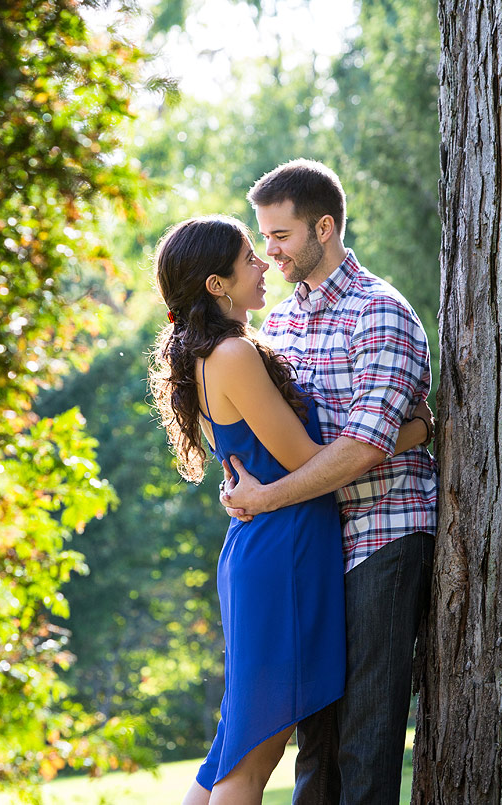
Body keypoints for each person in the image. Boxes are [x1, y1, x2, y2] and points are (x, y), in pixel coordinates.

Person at [148, 215, 433, 805]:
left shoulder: (216, 351)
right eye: (249, 256)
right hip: (284, 553)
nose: (263, 264)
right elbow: (308, 458)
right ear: (216, 285)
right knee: (253, 759)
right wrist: (415, 432)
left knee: (235, 749)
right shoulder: (232, 354)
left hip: (275, 546)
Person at [220, 159, 438, 805]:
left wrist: (265, 497)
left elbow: (364, 447)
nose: (269, 251)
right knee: (315, 743)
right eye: (264, 236)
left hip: (383, 536)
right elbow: (275, 436)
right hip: (312, 549)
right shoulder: (279, 325)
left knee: (365, 739)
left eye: (280, 235)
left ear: (324, 226)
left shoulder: (381, 312)